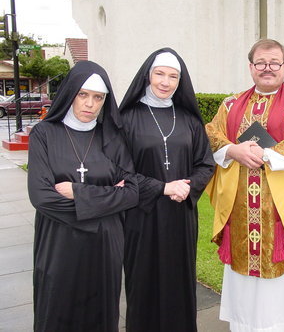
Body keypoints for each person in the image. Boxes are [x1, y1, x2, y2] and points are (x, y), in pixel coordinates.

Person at [205, 39, 284, 331]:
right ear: (251, 67)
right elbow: (211, 134)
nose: (267, 68)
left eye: (275, 63)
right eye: (261, 63)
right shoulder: (230, 105)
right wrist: (233, 151)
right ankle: (245, 326)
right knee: (245, 283)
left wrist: (264, 155)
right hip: (241, 208)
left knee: (283, 288)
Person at [27, 61, 141, 331]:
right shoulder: (44, 134)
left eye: (98, 97)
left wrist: (77, 192)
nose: (90, 104)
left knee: (99, 312)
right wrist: (110, 196)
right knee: (56, 308)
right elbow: (42, 197)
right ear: (70, 93)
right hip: (59, 243)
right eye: (83, 94)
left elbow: (133, 193)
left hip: (104, 245)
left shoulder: (112, 138)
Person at [119, 48, 215, 331]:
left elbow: (205, 164)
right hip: (141, 216)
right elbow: (119, 171)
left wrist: (188, 187)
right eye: (160, 74)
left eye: (173, 76)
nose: (166, 81)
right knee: (142, 280)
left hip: (180, 216)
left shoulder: (189, 119)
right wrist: (162, 187)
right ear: (147, 75)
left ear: (180, 81)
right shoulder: (126, 119)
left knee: (179, 281)